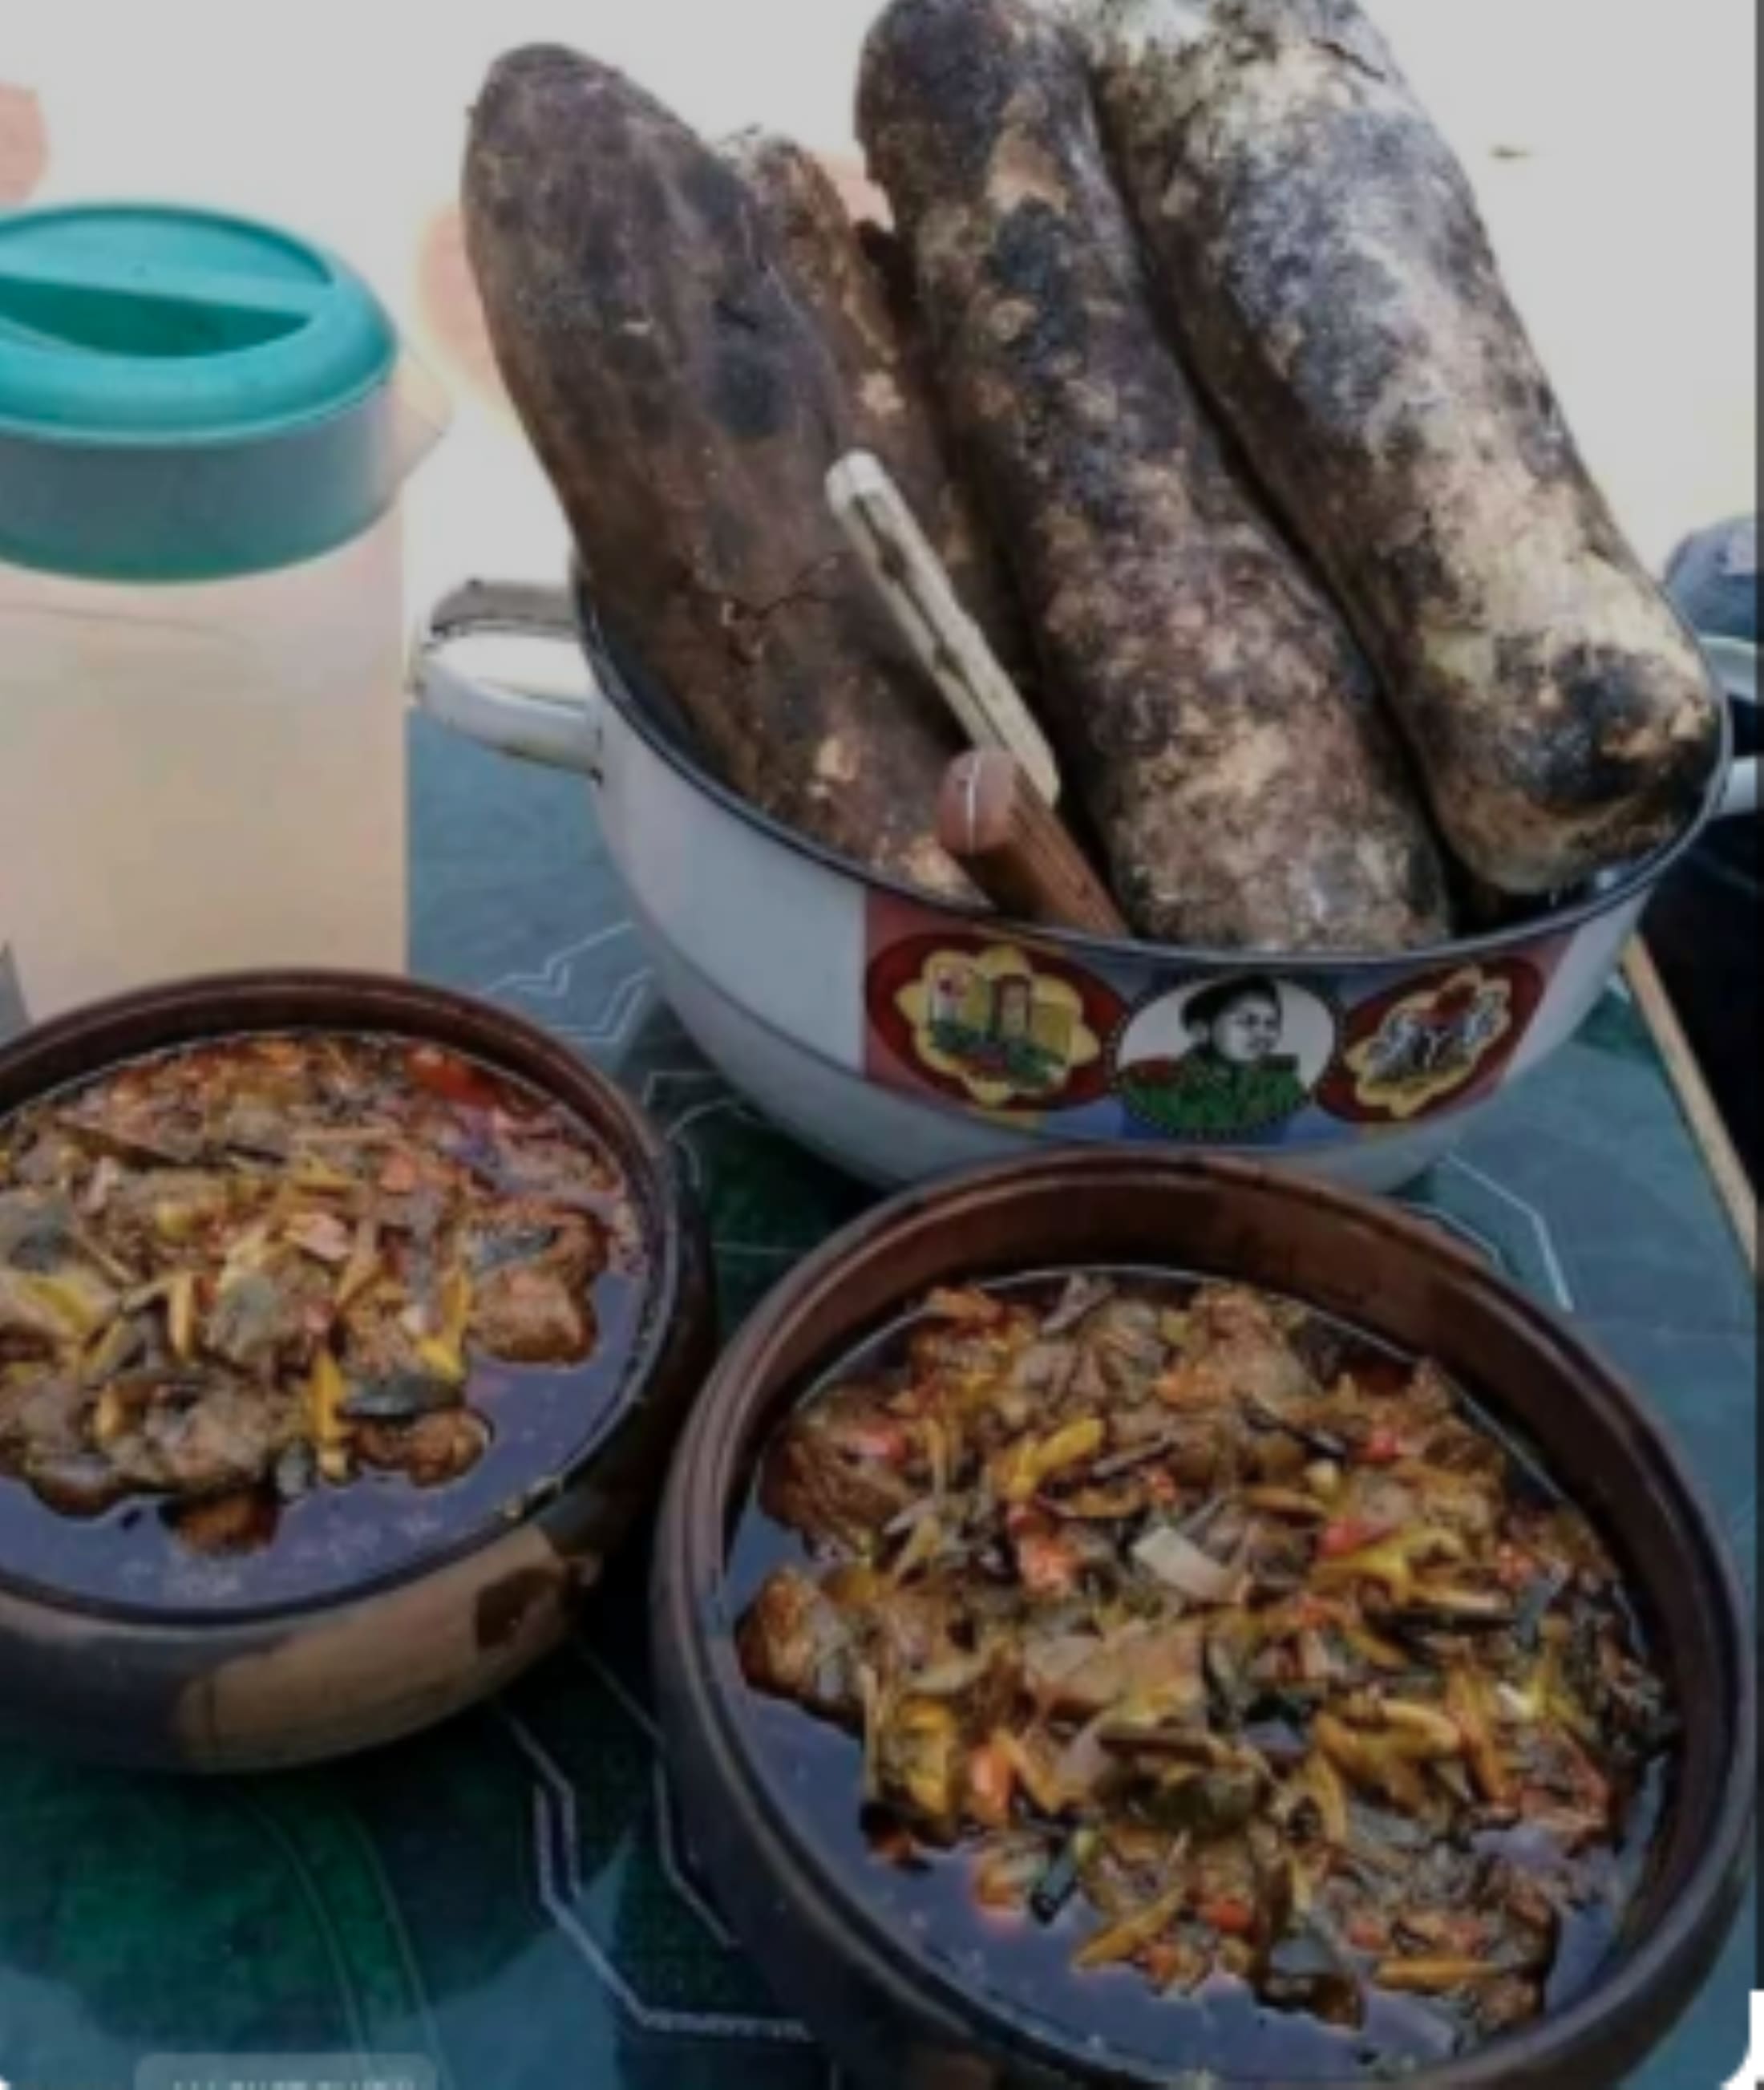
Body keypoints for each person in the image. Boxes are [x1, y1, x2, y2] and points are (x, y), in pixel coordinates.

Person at [1125, 978, 1311, 1136]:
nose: (1262, 1034)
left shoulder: (1283, 1084)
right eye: (1247, 1022)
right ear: (1201, 1031)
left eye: (1271, 1024)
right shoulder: (1154, 1086)